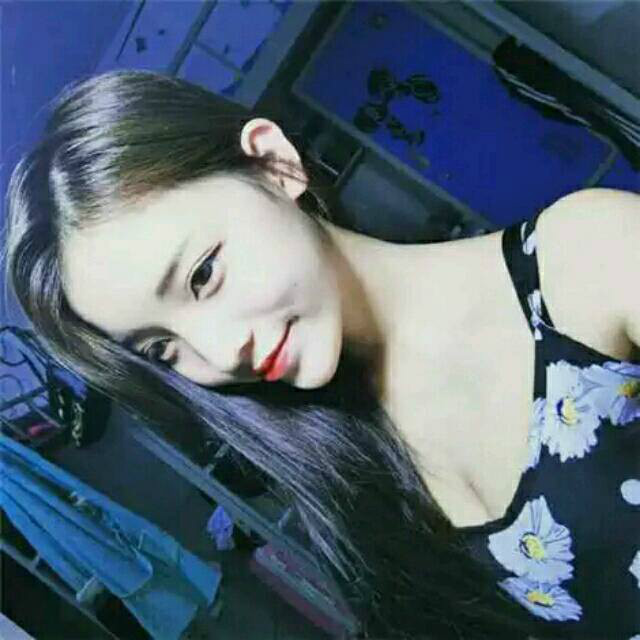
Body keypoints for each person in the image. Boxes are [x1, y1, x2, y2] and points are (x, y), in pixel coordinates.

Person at [3, 69, 639, 640]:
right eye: (163, 348)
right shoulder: (346, 483)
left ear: (274, 164)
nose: (221, 352)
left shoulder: (584, 259)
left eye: (203, 275)